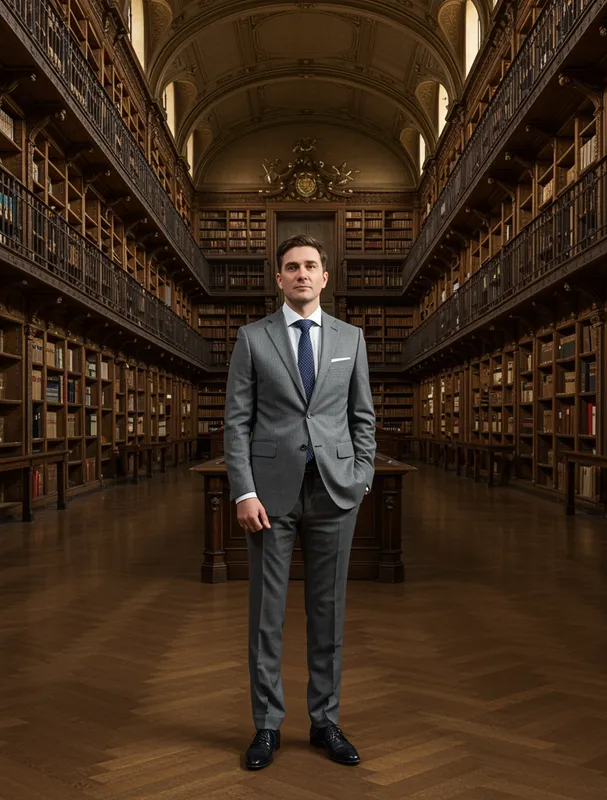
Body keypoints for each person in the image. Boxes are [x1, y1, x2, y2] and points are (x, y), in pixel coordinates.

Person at [224, 233, 376, 771]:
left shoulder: (350, 338)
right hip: (269, 496)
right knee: (267, 615)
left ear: (325, 276)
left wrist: (360, 480)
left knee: (327, 613)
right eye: (292, 267)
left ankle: (325, 721)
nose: (302, 274)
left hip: (335, 493)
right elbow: (237, 422)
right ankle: (266, 726)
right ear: (279, 278)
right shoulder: (251, 338)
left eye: (311, 266)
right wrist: (243, 490)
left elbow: (363, 418)